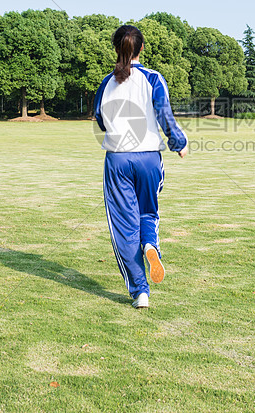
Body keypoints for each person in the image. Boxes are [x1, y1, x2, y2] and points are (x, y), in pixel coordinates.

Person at [94, 24, 188, 309]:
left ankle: (140, 292)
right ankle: (150, 245)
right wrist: (178, 142)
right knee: (148, 211)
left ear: (116, 48)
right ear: (142, 49)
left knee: (124, 226)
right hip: (149, 157)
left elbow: (99, 117)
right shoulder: (154, 78)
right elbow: (164, 114)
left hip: (118, 159)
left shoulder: (106, 83)